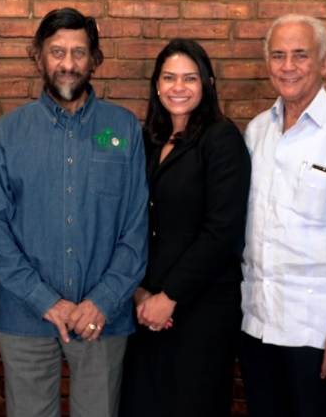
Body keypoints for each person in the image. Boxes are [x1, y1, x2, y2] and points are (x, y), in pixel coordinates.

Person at [0, 7, 148, 417]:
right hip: (27, 318)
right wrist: (46, 300)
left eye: (78, 53)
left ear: (95, 59)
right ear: (38, 56)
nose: (68, 64)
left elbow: (136, 227)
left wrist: (103, 300)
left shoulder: (124, 129)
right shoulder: (7, 133)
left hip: (103, 320)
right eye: (57, 52)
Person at [239, 14, 326, 417]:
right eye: (278, 55)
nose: (287, 66)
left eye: (300, 55)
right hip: (258, 329)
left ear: (325, 62)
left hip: (321, 334)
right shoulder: (256, 132)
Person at [119, 39, 251, 417]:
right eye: (169, 77)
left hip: (200, 311)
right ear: (157, 85)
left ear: (207, 83)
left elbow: (222, 231)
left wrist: (169, 297)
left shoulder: (222, 139)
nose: (179, 87)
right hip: (145, 309)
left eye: (190, 78)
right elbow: (132, 220)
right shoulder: (147, 140)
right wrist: (141, 293)